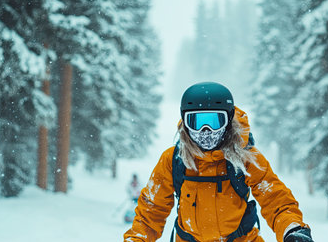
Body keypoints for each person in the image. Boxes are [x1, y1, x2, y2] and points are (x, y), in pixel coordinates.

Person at [124, 82, 313, 242]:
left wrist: (292, 229)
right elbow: (150, 213)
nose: (206, 131)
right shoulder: (174, 160)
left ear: (229, 120)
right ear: (185, 122)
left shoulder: (246, 158)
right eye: (196, 122)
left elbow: (275, 199)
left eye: (215, 121)